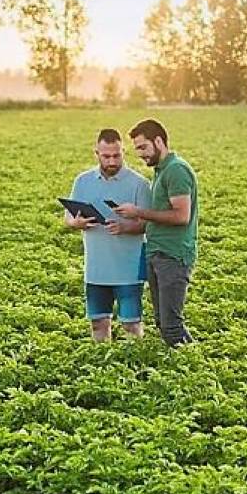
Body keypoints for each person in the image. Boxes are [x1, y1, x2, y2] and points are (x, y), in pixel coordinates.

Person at [113, 118, 198, 347]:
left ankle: (195, 368)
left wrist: (139, 211)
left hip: (173, 255)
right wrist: (125, 225)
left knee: (171, 326)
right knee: (163, 323)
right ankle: (185, 367)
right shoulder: (162, 170)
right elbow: (160, 215)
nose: (140, 154)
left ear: (159, 141)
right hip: (157, 253)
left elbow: (181, 216)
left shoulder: (176, 170)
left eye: (143, 147)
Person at [65, 128, 151, 342]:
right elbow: (68, 217)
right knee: (98, 322)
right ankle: (102, 362)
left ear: (123, 152)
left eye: (117, 155)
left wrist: (125, 227)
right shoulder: (82, 181)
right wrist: (76, 223)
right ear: (97, 153)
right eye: (106, 156)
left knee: (131, 324)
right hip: (96, 269)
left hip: (129, 269)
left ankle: (135, 368)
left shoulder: (139, 184)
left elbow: (150, 224)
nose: (112, 161)